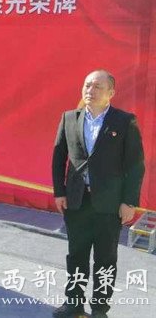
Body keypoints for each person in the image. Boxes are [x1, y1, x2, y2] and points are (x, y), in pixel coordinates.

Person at [52, 70, 144, 318]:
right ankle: (74, 303)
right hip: (77, 200)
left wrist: (129, 202)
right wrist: (59, 192)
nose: (90, 91)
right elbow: (59, 157)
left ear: (111, 93)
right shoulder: (69, 118)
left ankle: (100, 309)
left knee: (105, 259)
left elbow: (135, 165)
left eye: (97, 87)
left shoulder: (124, 121)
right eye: (87, 85)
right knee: (76, 255)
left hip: (109, 204)